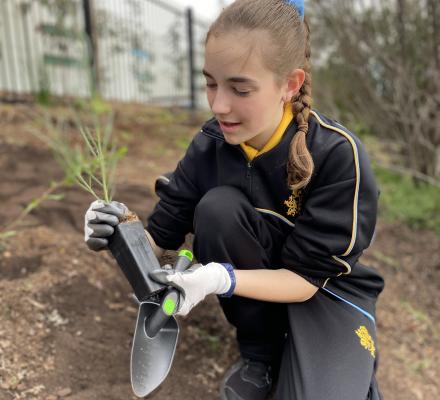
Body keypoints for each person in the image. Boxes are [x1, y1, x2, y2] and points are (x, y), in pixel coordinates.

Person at [84, 1, 385, 399]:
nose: (219, 105)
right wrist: (116, 230)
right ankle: (258, 357)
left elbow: (306, 280)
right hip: (256, 294)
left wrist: (220, 278)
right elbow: (159, 239)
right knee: (217, 209)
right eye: (211, 83)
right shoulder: (210, 145)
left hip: (323, 290)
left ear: (290, 84)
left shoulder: (337, 155)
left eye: (240, 89)